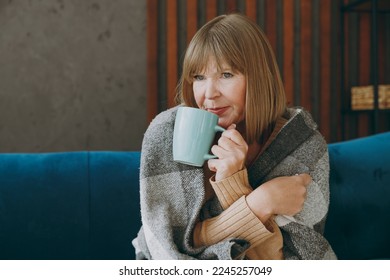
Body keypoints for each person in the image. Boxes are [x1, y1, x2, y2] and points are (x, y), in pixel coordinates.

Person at [132, 13, 337, 260]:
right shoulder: (168, 132)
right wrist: (261, 202)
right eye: (199, 77)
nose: (209, 94)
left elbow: (290, 261)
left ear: (259, 78)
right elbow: (166, 253)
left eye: (226, 75)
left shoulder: (303, 145)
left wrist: (232, 185)